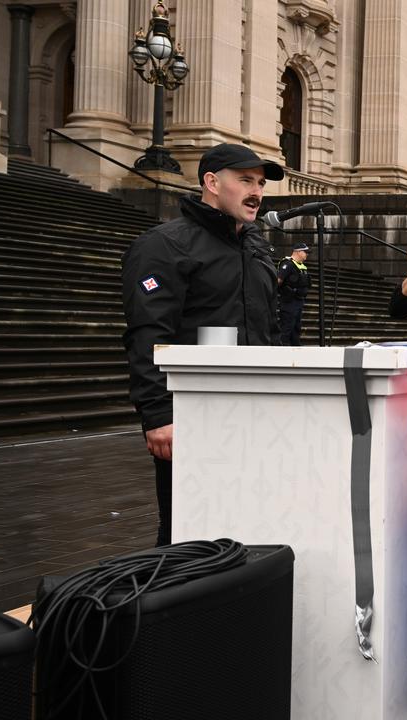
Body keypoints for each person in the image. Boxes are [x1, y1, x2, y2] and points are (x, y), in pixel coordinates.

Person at [121, 142, 284, 546]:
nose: (257, 192)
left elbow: (271, 330)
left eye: (261, 184)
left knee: (251, 522)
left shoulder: (256, 247)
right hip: (195, 413)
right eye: (245, 180)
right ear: (211, 182)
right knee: (187, 530)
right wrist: (158, 414)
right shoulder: (164, 245)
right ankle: (177, 607)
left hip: (256, 413)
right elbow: (148, 332)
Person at [276, 242, 311, 346]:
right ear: (298, 252)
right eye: (305, 252)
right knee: (287, 327)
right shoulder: (287, 264)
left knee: (296, 328)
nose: (307, 254)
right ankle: (282, 351)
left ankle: (295, 350)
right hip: (289, 302)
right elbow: (278, 281)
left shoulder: (302, 266)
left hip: (299, 301)